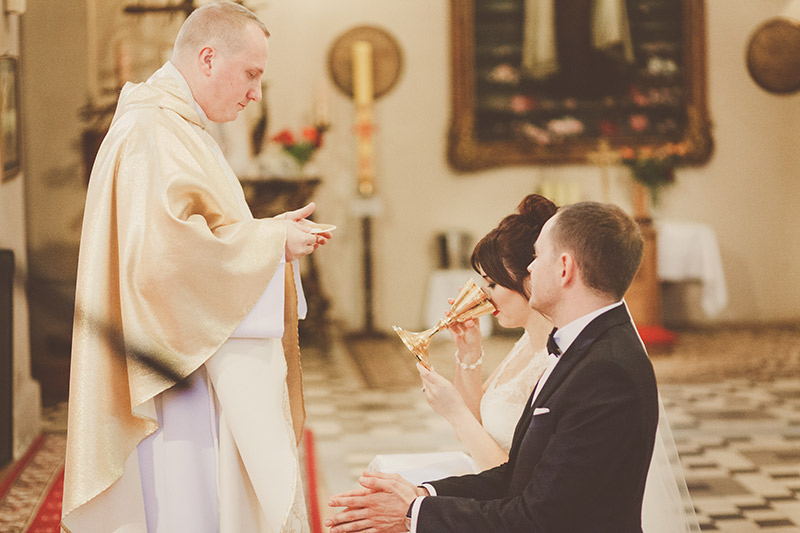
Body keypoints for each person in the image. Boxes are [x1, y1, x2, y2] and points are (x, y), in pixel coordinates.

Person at [61, 3, 328, 532]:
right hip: (171, 377)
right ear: (207, 58)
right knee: (184, 505)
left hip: (183, 359)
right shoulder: (151, 131)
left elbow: (196, 235)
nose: (255, 93)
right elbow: (162, 262)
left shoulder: (171, 125)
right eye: (250, 74)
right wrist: (272, 241)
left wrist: (268, 233)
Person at [327, 201, 658, 532]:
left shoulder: (606, 372)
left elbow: (538, 519)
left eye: (537, 257)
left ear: (564, 268)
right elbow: (519, 476)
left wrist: (413, 513)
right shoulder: (578, 346)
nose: (529, 269)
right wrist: (422, 494)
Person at [416, 194, 556, 470]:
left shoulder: (555, 360)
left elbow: (520, 477)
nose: (484, 295)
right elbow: (473, 427)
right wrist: (469, 353)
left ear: (530, 277)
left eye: (492, 284)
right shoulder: (527, 342)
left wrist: (454, 412)